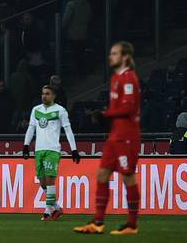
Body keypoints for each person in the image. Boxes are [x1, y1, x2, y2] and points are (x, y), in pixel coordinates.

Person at [73, 42, 141, 235]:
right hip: (115, 135)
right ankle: (98, 222)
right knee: (102, 174)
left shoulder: (129, 78)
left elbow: (128, 108)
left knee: (128, 176)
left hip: (127, 135)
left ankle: (132, 224)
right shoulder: (115, 78)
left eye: (114, 53)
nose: (110, 56)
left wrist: (105, 113)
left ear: (125, 57)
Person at [24, 84, 80, 221]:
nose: (44, 96)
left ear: (54, 96)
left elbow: (68, 130)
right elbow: (31, 128)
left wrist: (74, 149)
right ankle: (57, 208)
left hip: (52, 149)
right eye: (43, 93)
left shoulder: (60, 111)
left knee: (50, 180)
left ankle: (47, 211)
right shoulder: (36, 110)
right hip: (39, 150)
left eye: (47, 94)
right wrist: (26, 145)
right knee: (43, 183)